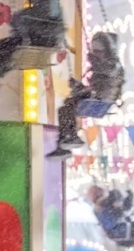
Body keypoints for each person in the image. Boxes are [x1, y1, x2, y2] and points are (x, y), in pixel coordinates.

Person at [46, 32, 124, 160]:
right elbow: (96, 86)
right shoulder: (103, 66)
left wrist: (92, 58)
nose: (96, 54)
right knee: (65, 108)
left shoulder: (113, 65)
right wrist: (78, 86)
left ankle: (70, 137)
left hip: (101, 100)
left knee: (68, 107)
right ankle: (64, 144)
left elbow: (106, 73)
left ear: (107, 50)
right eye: (95, 51)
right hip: (97, 97)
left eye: (99, 51)